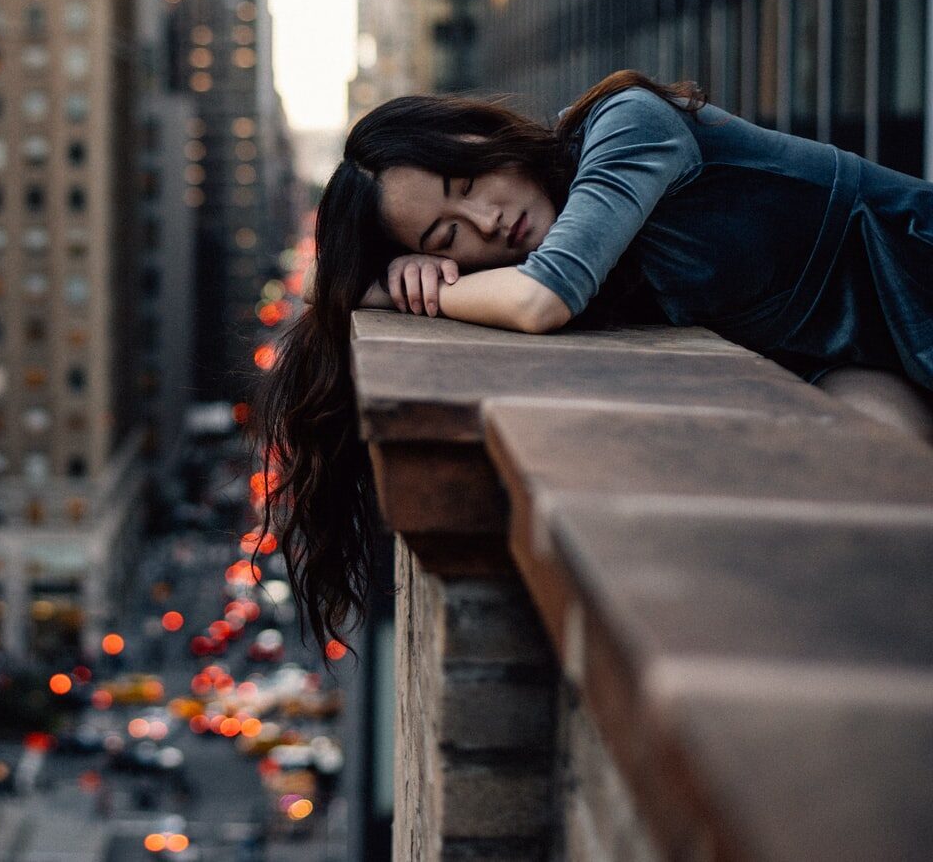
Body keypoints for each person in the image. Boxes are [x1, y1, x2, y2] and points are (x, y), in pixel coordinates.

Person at [252, 68, 933, 652]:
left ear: (485, 134)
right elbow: (319, 285)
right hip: (859, 357)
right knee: (869, 499)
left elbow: (542, 299)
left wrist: (393, 289)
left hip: (917, 284)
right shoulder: (582, 248)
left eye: (467, 182)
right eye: (447, 235)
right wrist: (392, 274)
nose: (487, 222)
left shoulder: (627, 124)